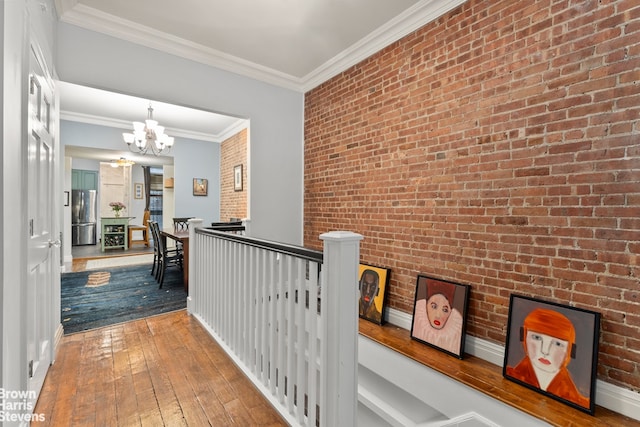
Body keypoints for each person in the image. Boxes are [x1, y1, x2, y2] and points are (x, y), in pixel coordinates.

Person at [505, 308, 590, 409]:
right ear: (524, 336)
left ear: (570, 350)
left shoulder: (580, 404)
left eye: (557, 343)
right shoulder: (510, 375)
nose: (545, 351)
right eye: (537, 338)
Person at [412, 280, 463, 354]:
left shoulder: (454, 338)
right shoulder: (419, 327)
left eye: (445, 310)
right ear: (426, 305)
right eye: (433, 306)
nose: (438, 315)